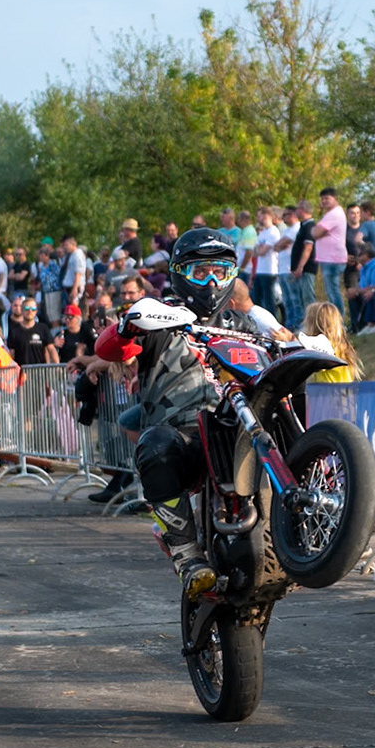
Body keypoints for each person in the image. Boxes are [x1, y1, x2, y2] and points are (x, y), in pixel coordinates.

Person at [89, 228, 247, 597]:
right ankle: (186, 552)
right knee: (155, 445)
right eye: (200, 272)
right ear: (179, 273)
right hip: (184, 435)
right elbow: (111, 349)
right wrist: (128, 325)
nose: (211, 281)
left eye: (220, 272)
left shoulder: (244, 326)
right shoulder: (161, 320)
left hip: (239, 432)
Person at [298, 301, 362, 381]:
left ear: (313, 325)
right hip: (342, 391)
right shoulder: (339, 346)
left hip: (329, 392)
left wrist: (289, 339)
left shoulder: (323, 347)